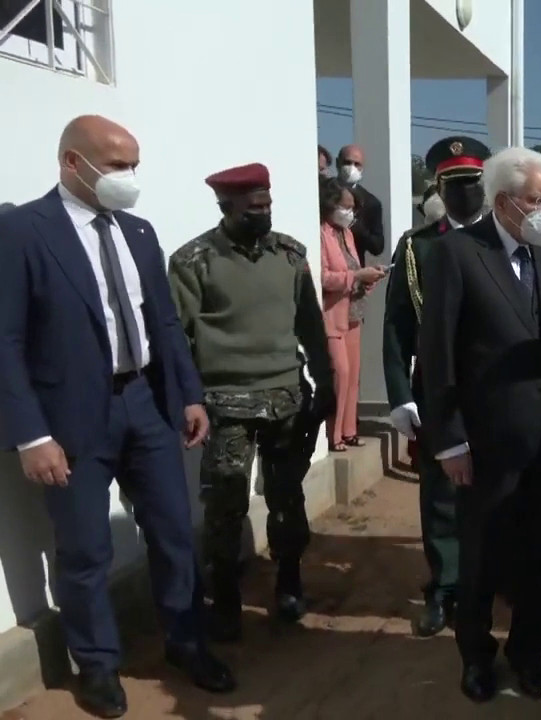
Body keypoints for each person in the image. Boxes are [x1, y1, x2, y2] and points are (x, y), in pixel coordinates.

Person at [0, 115, 235, 718]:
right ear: (72, 163)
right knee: (85, 551)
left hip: (145, 404)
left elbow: (163, 321)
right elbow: (6, 340)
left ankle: (186, 642)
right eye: (116, 165)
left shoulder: (137, 231)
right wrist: (31, 434)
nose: (129, 176)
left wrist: (187, 395)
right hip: (69, 418)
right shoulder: (23, 231)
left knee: (175, 532)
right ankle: (98, 665)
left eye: (134, 165)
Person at [417, 146, 541, 703]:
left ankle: (528, 655)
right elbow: (437, 354)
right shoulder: (457, 254)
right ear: (504, 203)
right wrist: (450, 440)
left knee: (537, 559)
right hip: (484, 443)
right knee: (481, 558)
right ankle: (476, 658)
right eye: (539, 200)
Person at [168, 162, 336, 643]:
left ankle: (289, 581)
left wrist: (326, 381)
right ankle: (225, 598)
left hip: (287, 397)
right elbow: (176, 337)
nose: (263, 213)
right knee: (226, 504)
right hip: (225, 403)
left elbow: (310, 324)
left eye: (267, 204)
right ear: (226, 206)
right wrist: (188, 399)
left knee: (287, 495)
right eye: (252, 207)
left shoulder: (290, 255)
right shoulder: (194, 261)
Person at [383, 135, 491, 638]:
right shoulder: (418, 247)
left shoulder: (503, 240)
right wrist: (400, 395)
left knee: (497, 490)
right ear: (439, 189)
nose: (465, 192)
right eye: (454, 184)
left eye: (472, 182)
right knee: (441, 495)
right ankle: (445, 586)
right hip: (438, 389)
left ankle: (491, 581)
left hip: (494, 388)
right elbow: (397, 327)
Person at [318, 178, 386, 451]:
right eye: (345, 207)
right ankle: (333, 435)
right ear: (330, 205)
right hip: (333, 314)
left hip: (354, 311)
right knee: (341, 373)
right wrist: (356, 276)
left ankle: (349, 430)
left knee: (354, 374)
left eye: (352, 208)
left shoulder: (347, 234)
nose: (350, 213)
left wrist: (368, 279)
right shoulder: (321, 234)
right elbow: (324, 277)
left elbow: (353, 269)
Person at [335, 144, 386, 263]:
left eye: (357, 164)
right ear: (337, 163)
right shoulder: (323, 193)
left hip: (356, 268)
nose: (351, 168)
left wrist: (358, 228)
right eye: (347, 162)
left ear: (362, 168)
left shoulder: (371, 203)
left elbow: (377, 247)